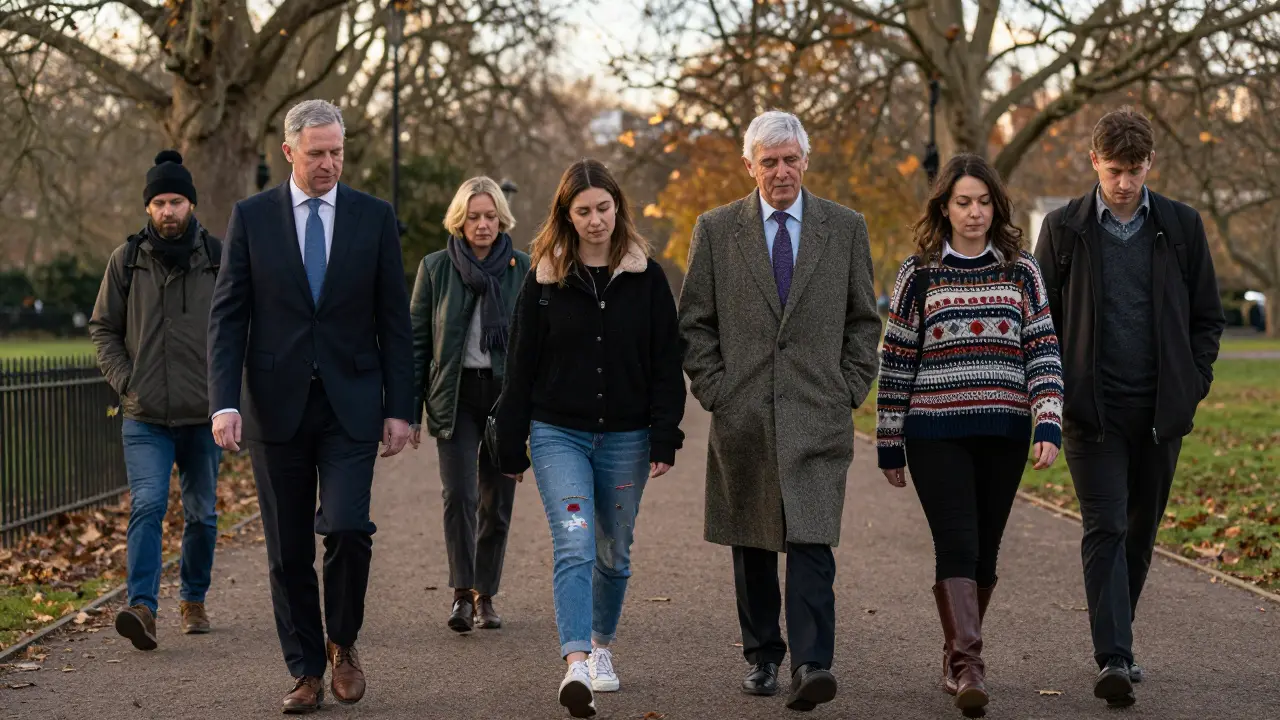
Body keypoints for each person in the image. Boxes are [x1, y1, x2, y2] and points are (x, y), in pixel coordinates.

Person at [207, 99, 413, 714]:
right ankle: (304, 670)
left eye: (337, 152)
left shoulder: (374, 218)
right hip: (276, 406)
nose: (329, 163)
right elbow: (228, 316)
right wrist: (224, 403)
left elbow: (393, 321)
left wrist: (400, 407)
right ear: (289, 151)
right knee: (288, 547)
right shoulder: (252, 218)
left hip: (351, 403)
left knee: (347, 526)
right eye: (318, 152)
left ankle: (342, 644)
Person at [678, 110, 881, 712]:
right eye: (769, 161)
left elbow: (864, 321)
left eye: (790, 158)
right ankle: (763, 655)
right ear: (750, 166)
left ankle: (814, 663)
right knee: (755, 542)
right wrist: (718, 391)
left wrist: (848, 387)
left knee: (814, 542)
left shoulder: (845, 228)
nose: (781, 170)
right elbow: (695, 324)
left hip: (819, 413)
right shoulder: (716, 230)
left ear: (806, 161)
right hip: (744, 415)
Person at [1034, 107, 1225, 708]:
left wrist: (1193, 383)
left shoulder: (1181, 225)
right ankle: (1113, 656)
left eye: (1135, 170)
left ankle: (1121, 637)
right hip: (1090, 411)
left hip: (1160, 410)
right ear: (1094, 161)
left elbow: (1207, 318)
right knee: (1106, 526)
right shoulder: (1063, 229)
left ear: (1151, 165)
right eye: (1114, 170)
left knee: (1141, 530)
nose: (1124, 183)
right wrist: (1053, 395)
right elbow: (1040, 324)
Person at [494, 159, 685, 718]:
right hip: (558, 435)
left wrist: (663, 435)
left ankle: (602, 646)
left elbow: (664, 362)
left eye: (604, 208)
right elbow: (521, 363)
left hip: (625, 439)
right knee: (574, 543)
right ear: (566, 215)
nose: (596, 219)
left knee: (614, 553)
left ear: (617, 208)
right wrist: (510, 441)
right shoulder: (546, 277)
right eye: (583, 211)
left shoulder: (645, 276)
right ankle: (575, 662)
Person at [876, 154, 1064, 715]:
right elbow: (897, 361)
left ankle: (956, 653)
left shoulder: (1021, 270)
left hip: (1005, 429)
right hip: (935, 433)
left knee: (985, 551)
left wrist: (1047, 420)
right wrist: (890, 441)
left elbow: (1043, 349)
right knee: (956, 542)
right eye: (963, 202)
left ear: (996, 207)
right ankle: (969, 665)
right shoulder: (920, 274)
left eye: (984, 201)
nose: (974, 212)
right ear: (945, 207)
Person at [89, 150, 223, 651]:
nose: (168, 211)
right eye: (160, 202)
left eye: (177, 201)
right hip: (144, 415)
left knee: (202, 513)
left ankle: (193, 597)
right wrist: (127, 382)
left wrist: (226, 394)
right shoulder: (126, 260)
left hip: (203, 414)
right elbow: (103, 327)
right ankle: (142, 607)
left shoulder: (217, 255)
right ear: (148, 207)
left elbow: (237, 327)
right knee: (147, 505)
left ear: (191, 204)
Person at [409, 176, 531, 633]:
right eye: (474, 216)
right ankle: (461, 593)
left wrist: (533, 413)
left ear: (502, 218)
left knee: (496, 502)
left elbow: (539, 346)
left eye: (490, 216)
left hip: (504, 398)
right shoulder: (436, 268)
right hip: (455, 395)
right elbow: (418, 344)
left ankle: (486, 594)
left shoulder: (524, 268)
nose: (483, 225)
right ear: (459, 220)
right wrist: (410, 411)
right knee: (458, 495)